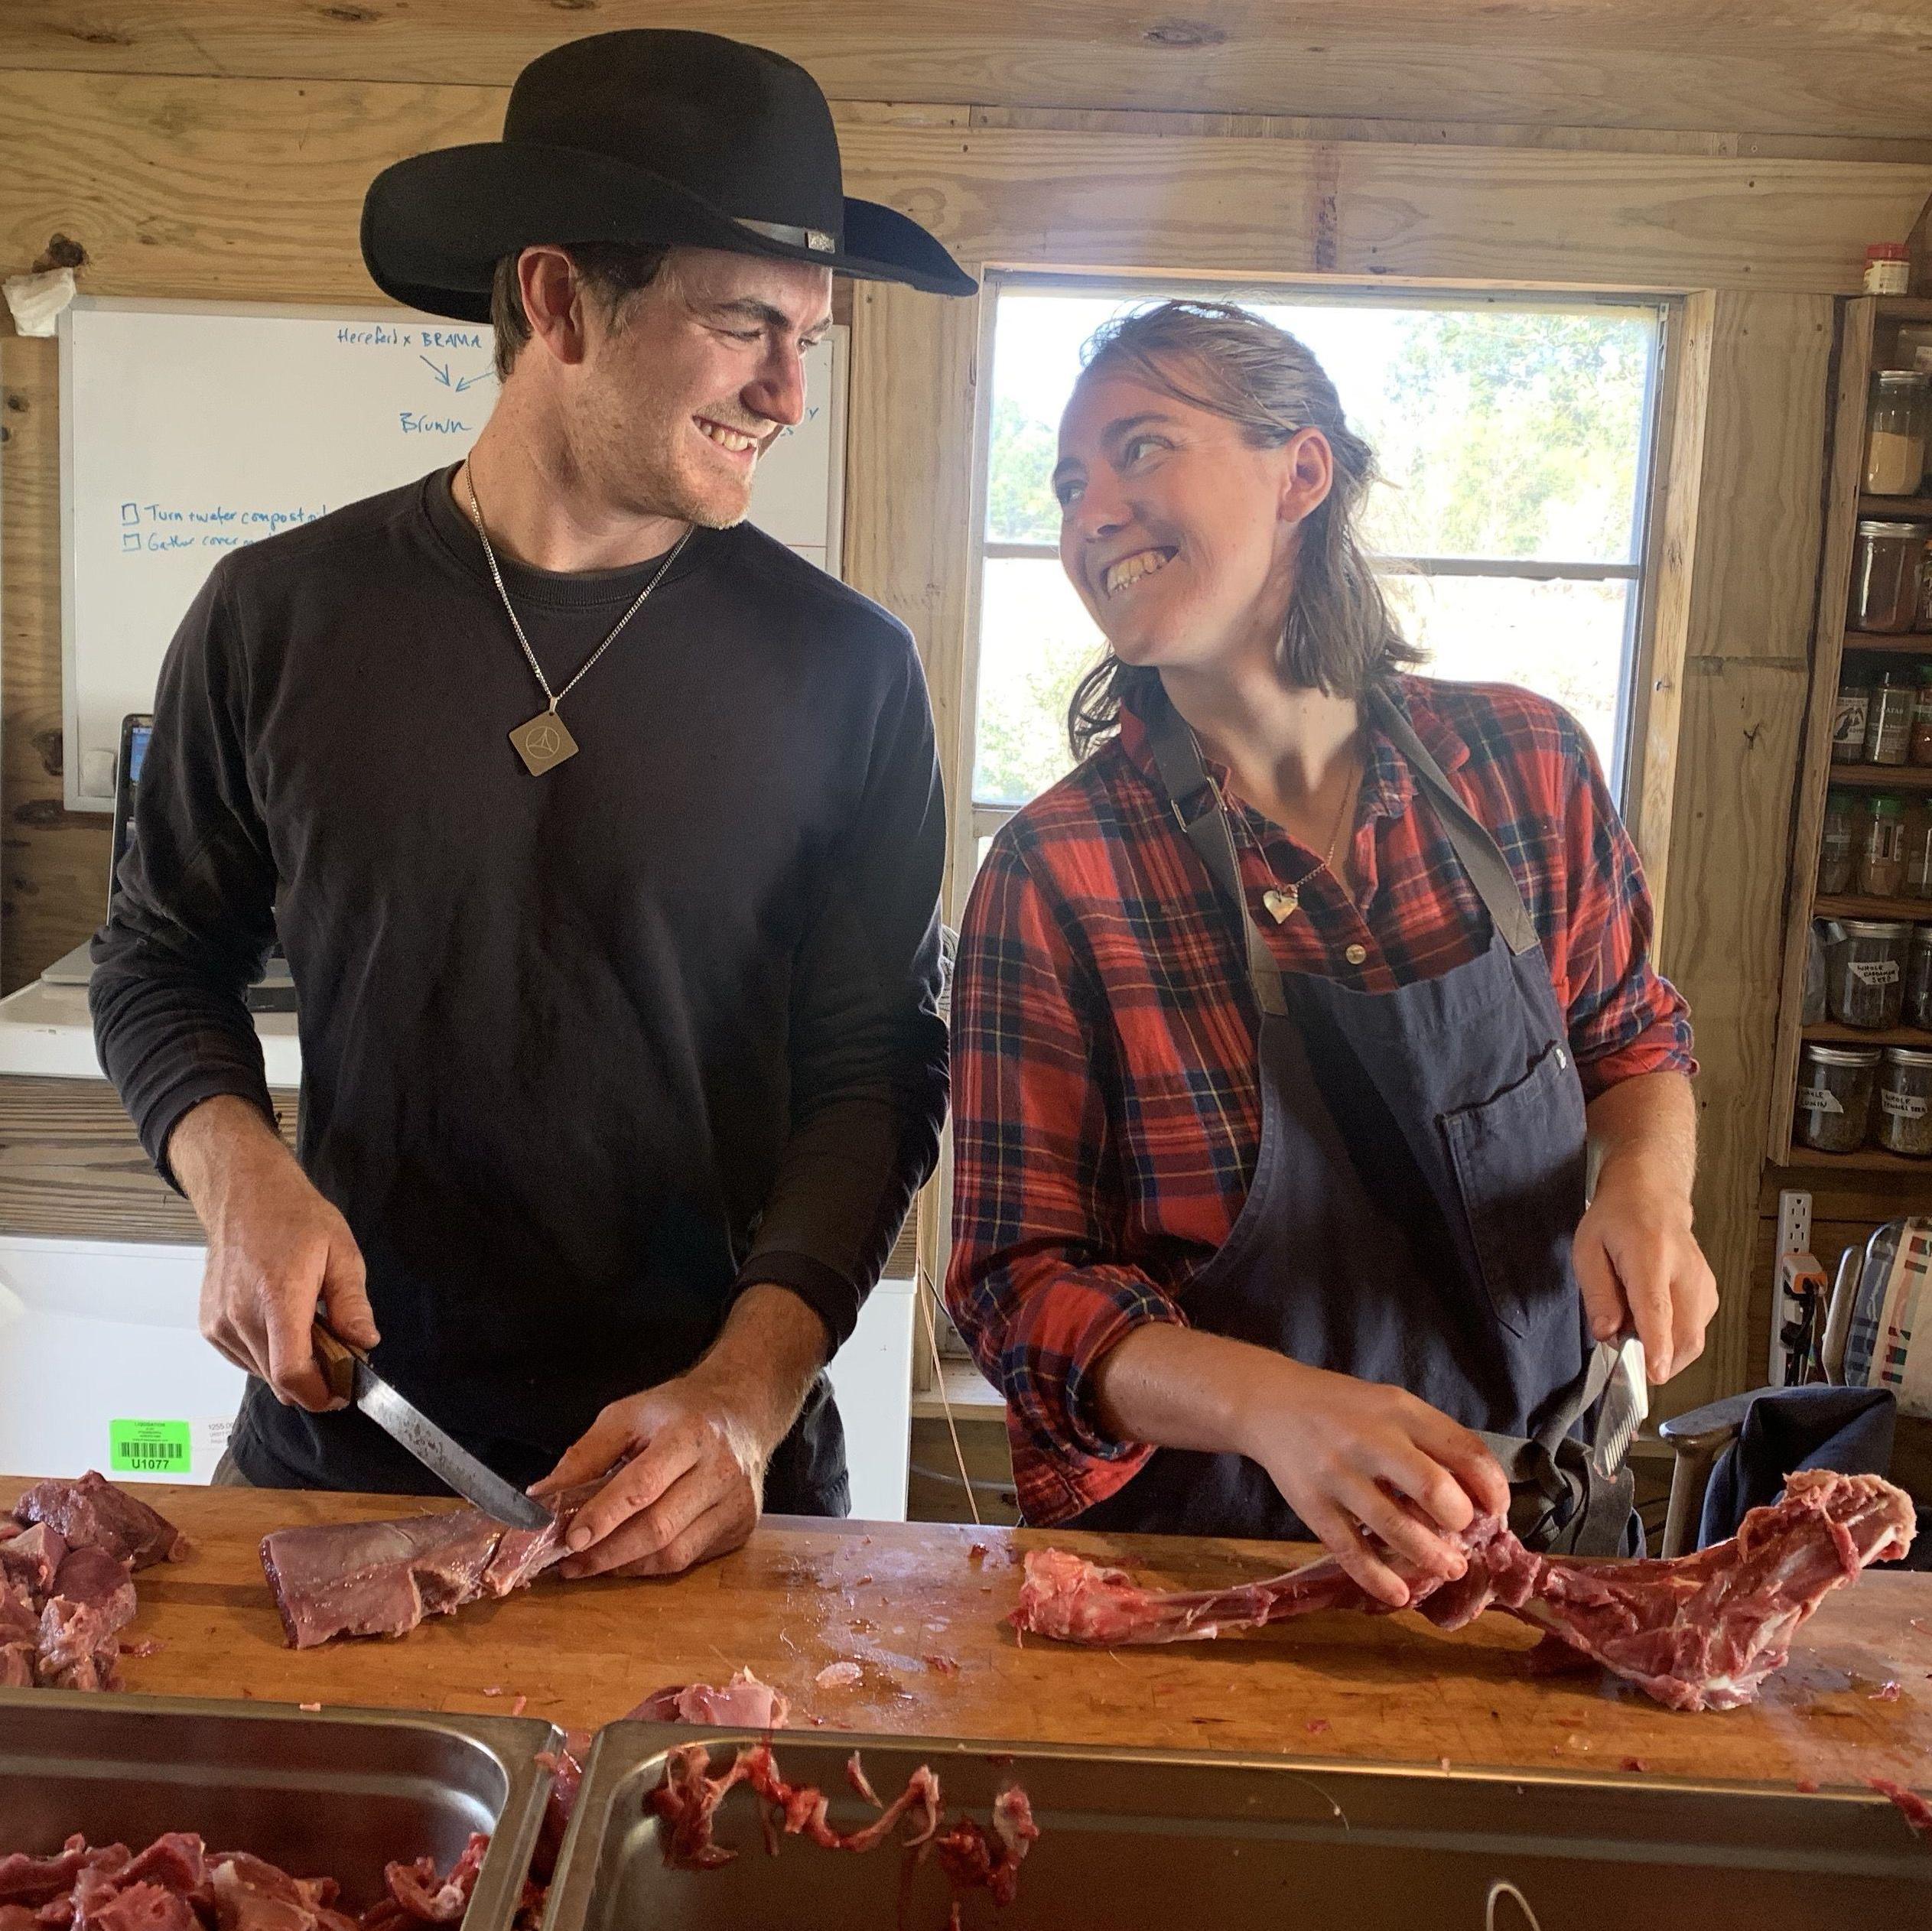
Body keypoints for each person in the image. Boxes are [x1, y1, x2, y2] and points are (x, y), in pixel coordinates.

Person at [90, 29, 974, 1580]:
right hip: (343, 1456)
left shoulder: (848, 670)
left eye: (809, 340)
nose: (787, 391)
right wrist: (236, 1171)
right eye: (745, 327)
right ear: (561, 299)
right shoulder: (279, 616)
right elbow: (162, 957)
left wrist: (746, 1400)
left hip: (709, 1484)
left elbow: (875, 1075)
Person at [945, 301, 1717, 1604]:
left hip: (1536, 1535)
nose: (1090, 511)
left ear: (1301, 470)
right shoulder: (1055, 875)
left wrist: (1646, 1185)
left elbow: (1629, 1038)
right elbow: (1017, 1293)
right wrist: (1269, 1405)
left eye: (1140, 449)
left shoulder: (1525, 766)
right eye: (1070, 482)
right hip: (1215, 1570)